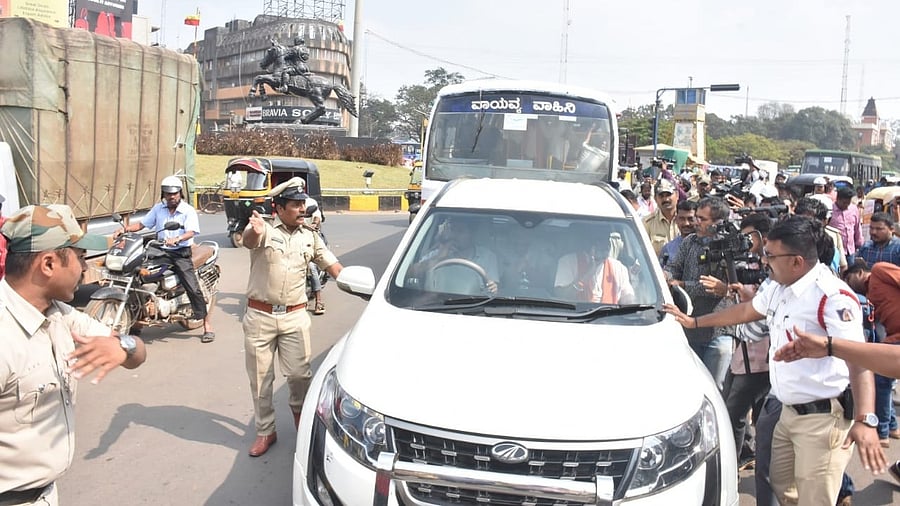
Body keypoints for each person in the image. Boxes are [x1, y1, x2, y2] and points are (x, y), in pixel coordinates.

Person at [665, 215, 885, 506]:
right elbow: (745, 312)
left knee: (814, 499)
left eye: (770, 255)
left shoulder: (832, 297)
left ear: (796, 261)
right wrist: (694, 322)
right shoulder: (779, 286)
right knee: (782, 486)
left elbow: (860, 360)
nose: (764, 260)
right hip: (787, 412)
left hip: (822, 421)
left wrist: (866, 420)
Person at [0, 204, 147, 505]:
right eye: (80, 258)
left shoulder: (61, 315)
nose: (84, 268)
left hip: (45, 494)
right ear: (49, 264)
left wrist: (124, 346)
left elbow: (138, 353)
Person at [241, 177, 343, 457]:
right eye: (296, 205)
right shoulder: (263, 230)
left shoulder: (310, 236)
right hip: (260, 316)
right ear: (279, 207)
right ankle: (266, 431)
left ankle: (301, 419)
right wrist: (254, 229)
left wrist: (356, 284)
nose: (302, 209)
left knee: (300, 376)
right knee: (261, 380)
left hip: (295, 317)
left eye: (303, 204)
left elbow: (332, 264)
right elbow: (249, 241)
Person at [114, 176, 213, 342]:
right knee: (138, 275)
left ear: (180, 193)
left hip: (180, 252)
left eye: (174, 194)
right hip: (160, 251)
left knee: (192, 287)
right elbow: (143, 224)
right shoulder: (159, 208)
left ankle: (207, 325)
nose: (171, 197)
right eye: (168, 194)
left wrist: (178, 239)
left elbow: (192, 232)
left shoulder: (187, 210)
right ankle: (138, 320)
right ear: (164, 194)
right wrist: (124, 229)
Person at [664, 196, 734, 388]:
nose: (696, 222)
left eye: (702, 219)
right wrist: (666, 276)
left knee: (714, 388)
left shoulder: (729, 248)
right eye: (697, 217)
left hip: (718, 333)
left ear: (718, 223)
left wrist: (683, 284)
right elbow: (674, 266)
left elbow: (717, 289)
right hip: (689, 329)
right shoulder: (690, 242)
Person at [412, 216, 499, 294]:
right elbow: (410, 273)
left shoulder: (488, 257)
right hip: (436, 303)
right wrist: (439, 258)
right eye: (452, 230)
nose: (454, 235)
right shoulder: (439, 253)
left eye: (460, 231)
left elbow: (492, 288)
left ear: (472, 234)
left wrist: (493, 288)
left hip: (474, 305)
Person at [303, 193, 327, 315]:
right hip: (296, 242)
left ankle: (319, 301)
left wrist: (313, 225)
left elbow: (317, 218)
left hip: (311, 240)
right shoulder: (289, 208)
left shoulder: (311, 204)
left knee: (311, 267)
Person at [643, 179, 680, 257]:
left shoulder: (687, 221)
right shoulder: (647, 223)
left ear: (677, 195)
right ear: (655, 199)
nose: (665, 199)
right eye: (661, 196)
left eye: (668, 195)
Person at [830, 186, 863, 267]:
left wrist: (859, 243)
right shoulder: (830, 210)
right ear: (838, 199)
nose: (847, 206)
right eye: (844, 203)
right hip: (835, 251)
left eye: (848, 203)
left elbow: (857, 227)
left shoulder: (853, 209)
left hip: (850, 251)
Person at [659, 200, 697, 269]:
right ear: (676, 220)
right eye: (682, 219)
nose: (686, 223)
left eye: (690, 219)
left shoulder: (705, 246)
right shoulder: (668, 249)